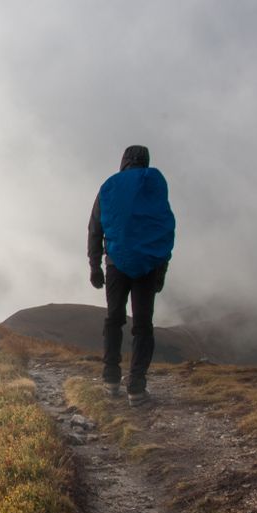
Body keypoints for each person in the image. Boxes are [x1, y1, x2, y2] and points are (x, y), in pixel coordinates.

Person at [87, 145, 175, 406]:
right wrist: (160, 270)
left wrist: (95, 265)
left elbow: (95, 227)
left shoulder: (110, 186)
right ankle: (136, 387)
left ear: (124, 161)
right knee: (143, 326)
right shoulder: (155, 185)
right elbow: (165, 228)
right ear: (146, 161)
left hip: (116, 264)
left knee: (114, 320)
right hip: (147, 266)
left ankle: (111, 379)